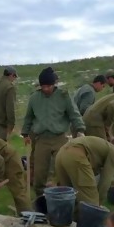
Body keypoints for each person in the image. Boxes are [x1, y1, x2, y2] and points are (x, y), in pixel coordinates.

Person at [21, 66, 86, 197]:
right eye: (43, 86)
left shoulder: (63, 96)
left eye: (48, 86)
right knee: (40, 171)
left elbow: (74, 114)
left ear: (54, 84)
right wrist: (25, 133)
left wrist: (80, 129)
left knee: (62, 167)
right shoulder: (34, 98)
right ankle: (40, 197)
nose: (46, 89)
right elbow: (29, 117)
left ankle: (63, 194)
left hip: (59, 138)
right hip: (42, 139)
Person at [54, 136, 114, 208]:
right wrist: (98, 202)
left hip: (61, 153)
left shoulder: (102, 145)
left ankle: (66, 220)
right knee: (90, 202)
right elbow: (106, 181)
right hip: (75, 155)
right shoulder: (113, 151)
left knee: (68, 195)